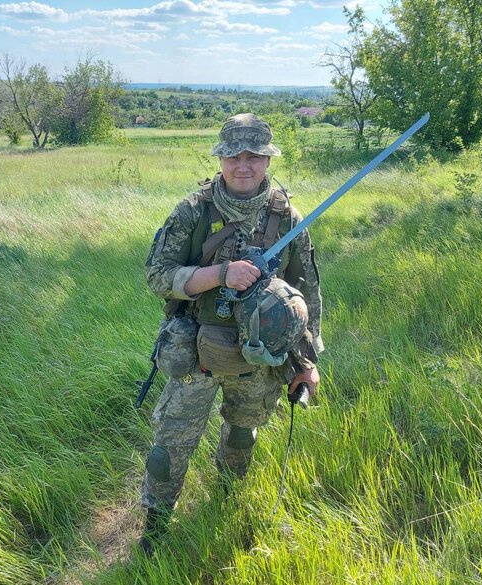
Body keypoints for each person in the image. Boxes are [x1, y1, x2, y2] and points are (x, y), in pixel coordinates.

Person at [139, 113, 324, 554]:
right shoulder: (193, 211)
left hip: (259, 358)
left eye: (255, 156)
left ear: (267, 159)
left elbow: (307, 294)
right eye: (234, 156)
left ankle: (226, 500)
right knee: (169, 447)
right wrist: (221, 274)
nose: (244, 165)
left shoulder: (287, 216)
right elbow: (158, 276)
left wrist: (308, 361)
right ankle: (156, 526)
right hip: (195, 350)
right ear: (221, 158)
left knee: (243, 436)